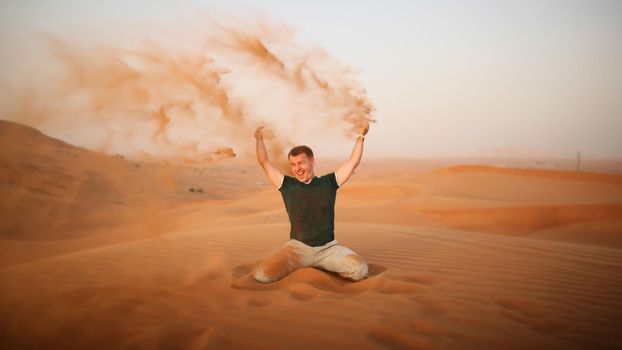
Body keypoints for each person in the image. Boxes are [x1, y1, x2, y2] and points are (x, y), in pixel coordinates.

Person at [252, 121, 370, 283]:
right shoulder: (287, 185)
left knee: (360, 270)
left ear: (312, 162)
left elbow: (352, 162)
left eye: (301, 162)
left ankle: (324, 266)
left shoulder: (329, 182)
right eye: (293, 164)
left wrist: (361, 136)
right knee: (262, 276)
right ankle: (305, 265)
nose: (297, 168)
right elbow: (264, 162)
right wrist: (259, 138)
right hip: (297, 249)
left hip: (328, 249)